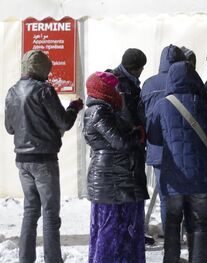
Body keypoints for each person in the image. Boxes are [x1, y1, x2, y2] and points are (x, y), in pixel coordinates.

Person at [4, 50, 84, 263]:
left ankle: (25, 260)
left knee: (30, 212)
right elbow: (64, 122)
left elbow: (10, 128)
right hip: (44, 160)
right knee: (50, 215)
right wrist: (74, 107)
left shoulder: (12, 91)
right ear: (43, 69)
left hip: (22, 161)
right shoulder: (44, 91)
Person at [147, 61, 207, 263]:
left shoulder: (161, 105)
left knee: (172, 222)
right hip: (201, 175)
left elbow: (153, 138)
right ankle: (199, 259)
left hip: (173, 177)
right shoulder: (201, 102)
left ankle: (171, 259)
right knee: (199, 224)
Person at [83, 71, 148, 263]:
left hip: (115, 178)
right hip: (112, 181)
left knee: (116, 232)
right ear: (104, 90)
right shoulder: (99, 111)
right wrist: (137, 135)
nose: (118, 92)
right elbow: (119, 141)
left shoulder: (105, 110)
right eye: (114, 88)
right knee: (110, 233)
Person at [140, 44, 189, 229]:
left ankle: (171, 238)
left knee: (166, 196)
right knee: (187, 193)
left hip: (157, 149)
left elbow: (142, 114)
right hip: (183, 147)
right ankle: (186, 233)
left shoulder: (149, 84)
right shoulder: (184, 81)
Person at [107, 48, 150, 222]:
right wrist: (140, 135)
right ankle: (133, 227)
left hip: (122, 144)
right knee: (132, 187)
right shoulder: (124, 85)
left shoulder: (115, 79)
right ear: (137, 68)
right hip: (129, 145)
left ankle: (132, 226)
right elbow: (128, 116)